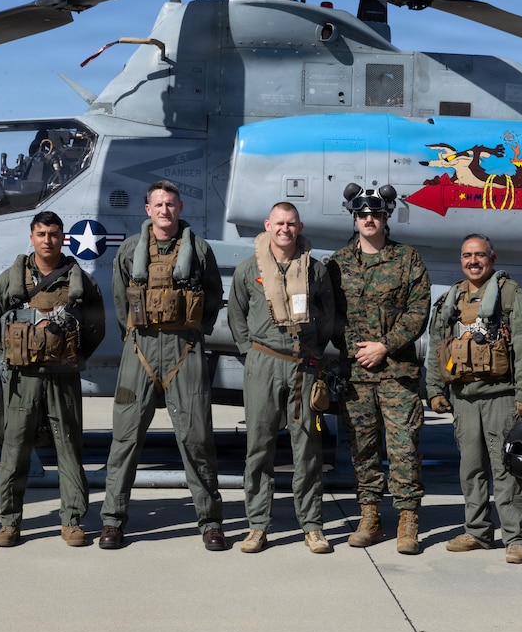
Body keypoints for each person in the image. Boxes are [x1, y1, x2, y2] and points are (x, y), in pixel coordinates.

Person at [100, 180, 226, 551]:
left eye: (170, 204)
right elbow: (121, 298)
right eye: (158, 204)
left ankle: (211, 521)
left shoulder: (199, 250)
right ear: (147, 209)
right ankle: (112, 521)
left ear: (180, 207)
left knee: (197, 438)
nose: (165, 210)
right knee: (125, 437)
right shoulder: (129, 251)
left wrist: (194, 332)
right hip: (139, 349)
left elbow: (214, 296)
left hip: (184, 349)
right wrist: (134, 336)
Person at [0, 210, 105, 547]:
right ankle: (9, 522)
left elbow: (97, 326)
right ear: (32, 237)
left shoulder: (79, 281)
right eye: (41, 234)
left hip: (62, 378)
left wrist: (74, 356)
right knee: (15, 451)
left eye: (54, 234)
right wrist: (10, 354)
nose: (47, 240)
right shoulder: (12, 280)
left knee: (69, 448)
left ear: (62, 237)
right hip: (22, 379)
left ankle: (72, 520)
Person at [426, 234, 522, 564]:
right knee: (470, 469)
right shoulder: (452, 298)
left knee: (508, 470)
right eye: (467, 256)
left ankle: (516, 537)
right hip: (463, 399)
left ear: (492, 258)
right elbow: (439, 346)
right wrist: (434, 390)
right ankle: (477, 531)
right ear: (460, 259)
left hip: (502, 398)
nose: (473, 261)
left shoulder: (511, 295)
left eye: (479, 255)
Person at [327, 184, 431, 555]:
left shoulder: (407, 260)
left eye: (375, 213)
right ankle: (369, 515)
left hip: (397, 372)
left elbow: (419, 311)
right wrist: (359, 349)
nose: (368, 219)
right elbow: (332, 316)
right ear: (354, 218)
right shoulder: (337, 264)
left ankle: (407, 519)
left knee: (404, 448)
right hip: (357, 373)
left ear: (386, 217)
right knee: (363, 448)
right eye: (361, 214)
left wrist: (385, 346)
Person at [227, 202, 336, 554]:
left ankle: (312, 526)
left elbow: (329, 316)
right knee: (258, 446)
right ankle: (257, 525)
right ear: (267, 225)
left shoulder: (315, 271)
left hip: (303, 364)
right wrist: (250, 351)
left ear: (299, 226)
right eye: (279, 223)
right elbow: (236, 313)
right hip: (264, 363)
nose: (285, 229)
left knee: (307, 448)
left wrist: (314, 353)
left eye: (291, 223)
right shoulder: (250, 269)